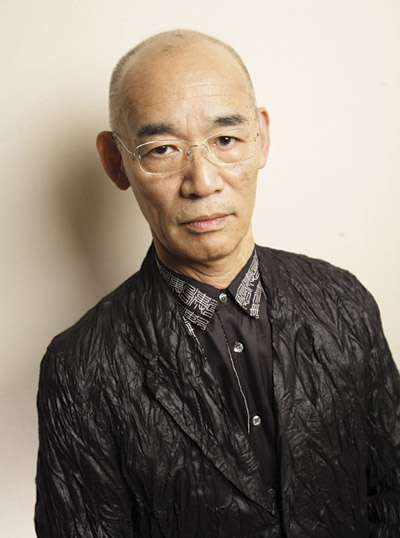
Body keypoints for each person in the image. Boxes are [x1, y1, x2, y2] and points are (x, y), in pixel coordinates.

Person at [35, 30, 400, 538]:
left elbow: (390, 493)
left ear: (262, 138)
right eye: (162, 149)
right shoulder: (79, 368)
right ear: (117, 162)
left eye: (225, 140)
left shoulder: (345, 302)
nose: (202, 182)